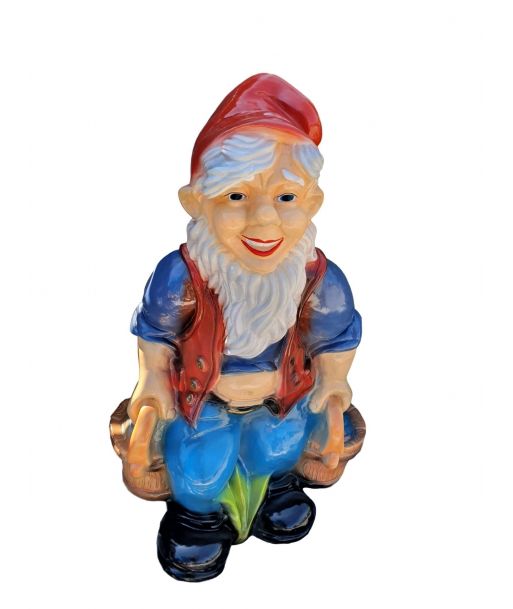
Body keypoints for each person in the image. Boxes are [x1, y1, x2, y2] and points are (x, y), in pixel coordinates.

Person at [126, 74, 363, 582]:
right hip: (203, 400)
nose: (264, 221)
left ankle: (277, 489)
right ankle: (197, 520)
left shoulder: (315, 278)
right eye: (236, 197)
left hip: (281, 396)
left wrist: (334, 379)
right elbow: (156, 334)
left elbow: (336, 336)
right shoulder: (182, 276)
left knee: (278, 446)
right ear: (196, 203)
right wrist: (151, 379)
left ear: (313, 203)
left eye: (286, 198)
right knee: (200, 466)